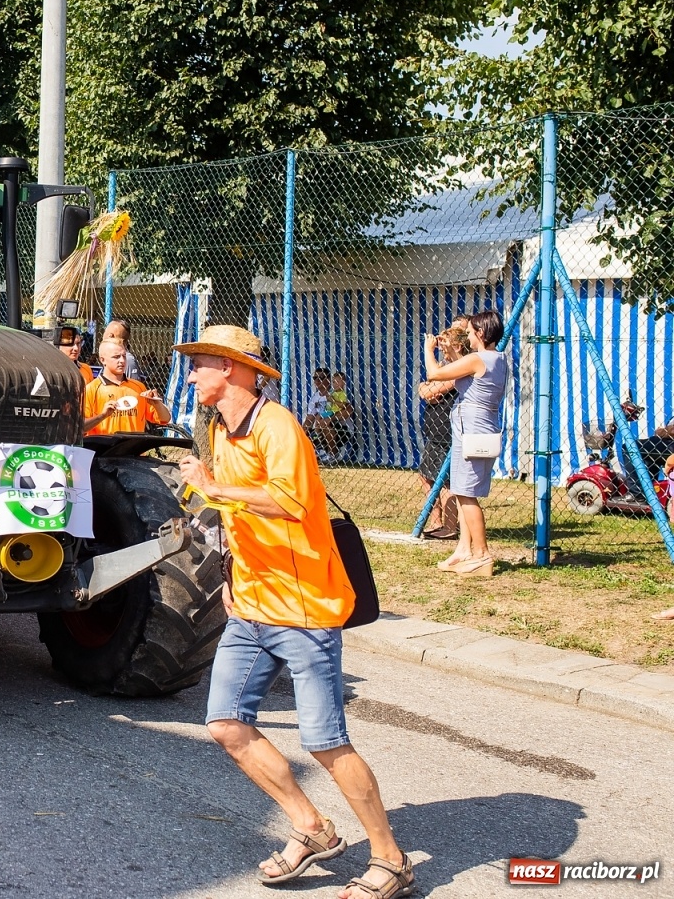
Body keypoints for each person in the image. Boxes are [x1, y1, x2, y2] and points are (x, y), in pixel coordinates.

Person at [174, 325, 412, 899]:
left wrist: (212, 488)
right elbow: (234, 519)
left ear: (230, 368)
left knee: (326, 742)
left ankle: (391, 859)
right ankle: (311, 827)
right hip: (252, 606)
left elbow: (289, 502)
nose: (191, 373)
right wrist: (230, 576)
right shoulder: (218, 428)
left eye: (200, 364)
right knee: (227, 724)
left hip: (303, 611)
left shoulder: (277, 425)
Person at [422, 309, 510, 577]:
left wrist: (429, 349)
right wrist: (453, 352)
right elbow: (465, 374)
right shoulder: (495, 359)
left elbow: (435, 373)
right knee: (461, 490)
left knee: (467, 495)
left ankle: (482, 555)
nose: (469, 336)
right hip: (473, 430)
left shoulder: (478, 359)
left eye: (471, 332)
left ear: (481, 333)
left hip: (472, 432)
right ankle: (464, 549)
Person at [417, 319, 471, 540]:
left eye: (444, 340)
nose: (439, 343)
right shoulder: (447, 366)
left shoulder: (461, 366)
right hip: (435, 432)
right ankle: (437, 521)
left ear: (457, 345)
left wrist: (427, 351)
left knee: (447, 481)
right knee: (425, 476)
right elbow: (424, 389)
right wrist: (428, 386)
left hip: (448, 431)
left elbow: (431, 387)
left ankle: (450, 527)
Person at [82, 338, 170, 434]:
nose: (122, 360)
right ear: (102, 360)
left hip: (134, 448)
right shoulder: (91, 390)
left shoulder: (138, 387)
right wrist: (102, 416)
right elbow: (79, 428)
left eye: (124, 356)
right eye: (116, 357)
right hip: (105, 448)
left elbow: (165, 419)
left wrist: (157, 404)